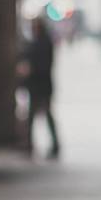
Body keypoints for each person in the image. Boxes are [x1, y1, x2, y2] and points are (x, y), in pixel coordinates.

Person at [23, 18, 61, 159]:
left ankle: (52, 144)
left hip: (41, 85)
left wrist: (30, 70)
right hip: (38, 85)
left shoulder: (43, 43)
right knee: (35, 115)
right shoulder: (38, 42)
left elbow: (43, 65)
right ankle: (29, 144)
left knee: (44, 114)